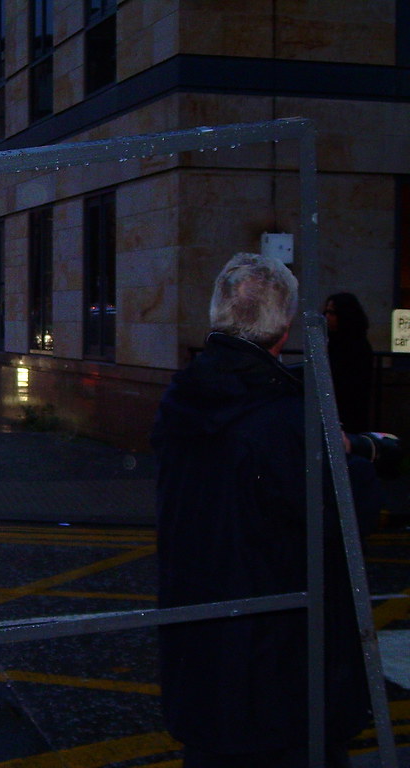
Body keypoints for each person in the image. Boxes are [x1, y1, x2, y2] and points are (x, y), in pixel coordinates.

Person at [151, 253, 381, 767]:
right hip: (277, 678)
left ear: (217, 315)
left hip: (202, 655)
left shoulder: (182, 400)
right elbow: (345, 513)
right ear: (284, 329)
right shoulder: (280, 420)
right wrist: (351, 461)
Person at [324, 292, 374, 434]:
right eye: (327, 312)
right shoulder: (333, 341)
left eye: (332, 313)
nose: (327, 317)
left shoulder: (355, 345)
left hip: (348, 408)